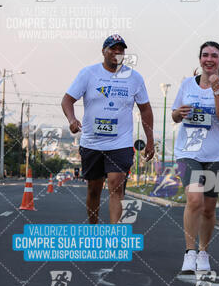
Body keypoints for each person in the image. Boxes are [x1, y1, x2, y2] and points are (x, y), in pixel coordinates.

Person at [61, 34, 154, 224]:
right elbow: (67, 100)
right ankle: (94, 229)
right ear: (103, 51)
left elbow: (145, 109)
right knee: (94, 189)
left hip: (120, 143)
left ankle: (113, 238)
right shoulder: (88, 74)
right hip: (92, 142)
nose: (117, 52)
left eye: (121, 49)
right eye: (113, 48)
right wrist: (72, 119)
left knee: (116, 186)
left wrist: (150, 140)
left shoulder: (134, 78)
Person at [172, 41, 219, 274]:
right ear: (200, 59)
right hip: (188, 152)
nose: (209, 59)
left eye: (214, 56)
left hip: (215, 155)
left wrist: (216, 90)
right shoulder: (187, 85)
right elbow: (175, 116)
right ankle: (189, 252)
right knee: (195, 200)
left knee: (209, 209)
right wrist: (178, 113)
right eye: (205, 55)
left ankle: (203, 252)